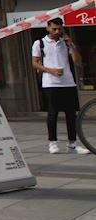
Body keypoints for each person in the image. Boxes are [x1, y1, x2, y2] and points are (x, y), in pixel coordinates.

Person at [33, 19, 88, 154]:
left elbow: (78, 62)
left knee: (71, 114)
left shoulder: (66, 43)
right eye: (54, 29)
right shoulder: (39, 43)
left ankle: (73, 143)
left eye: (59, 29)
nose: (57, 32)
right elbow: (35, 63)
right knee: (53, 113)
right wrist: (51, 70)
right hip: (51, 83)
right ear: (48, 28)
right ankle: (53, 142)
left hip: (68, 82)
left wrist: (71, 45)